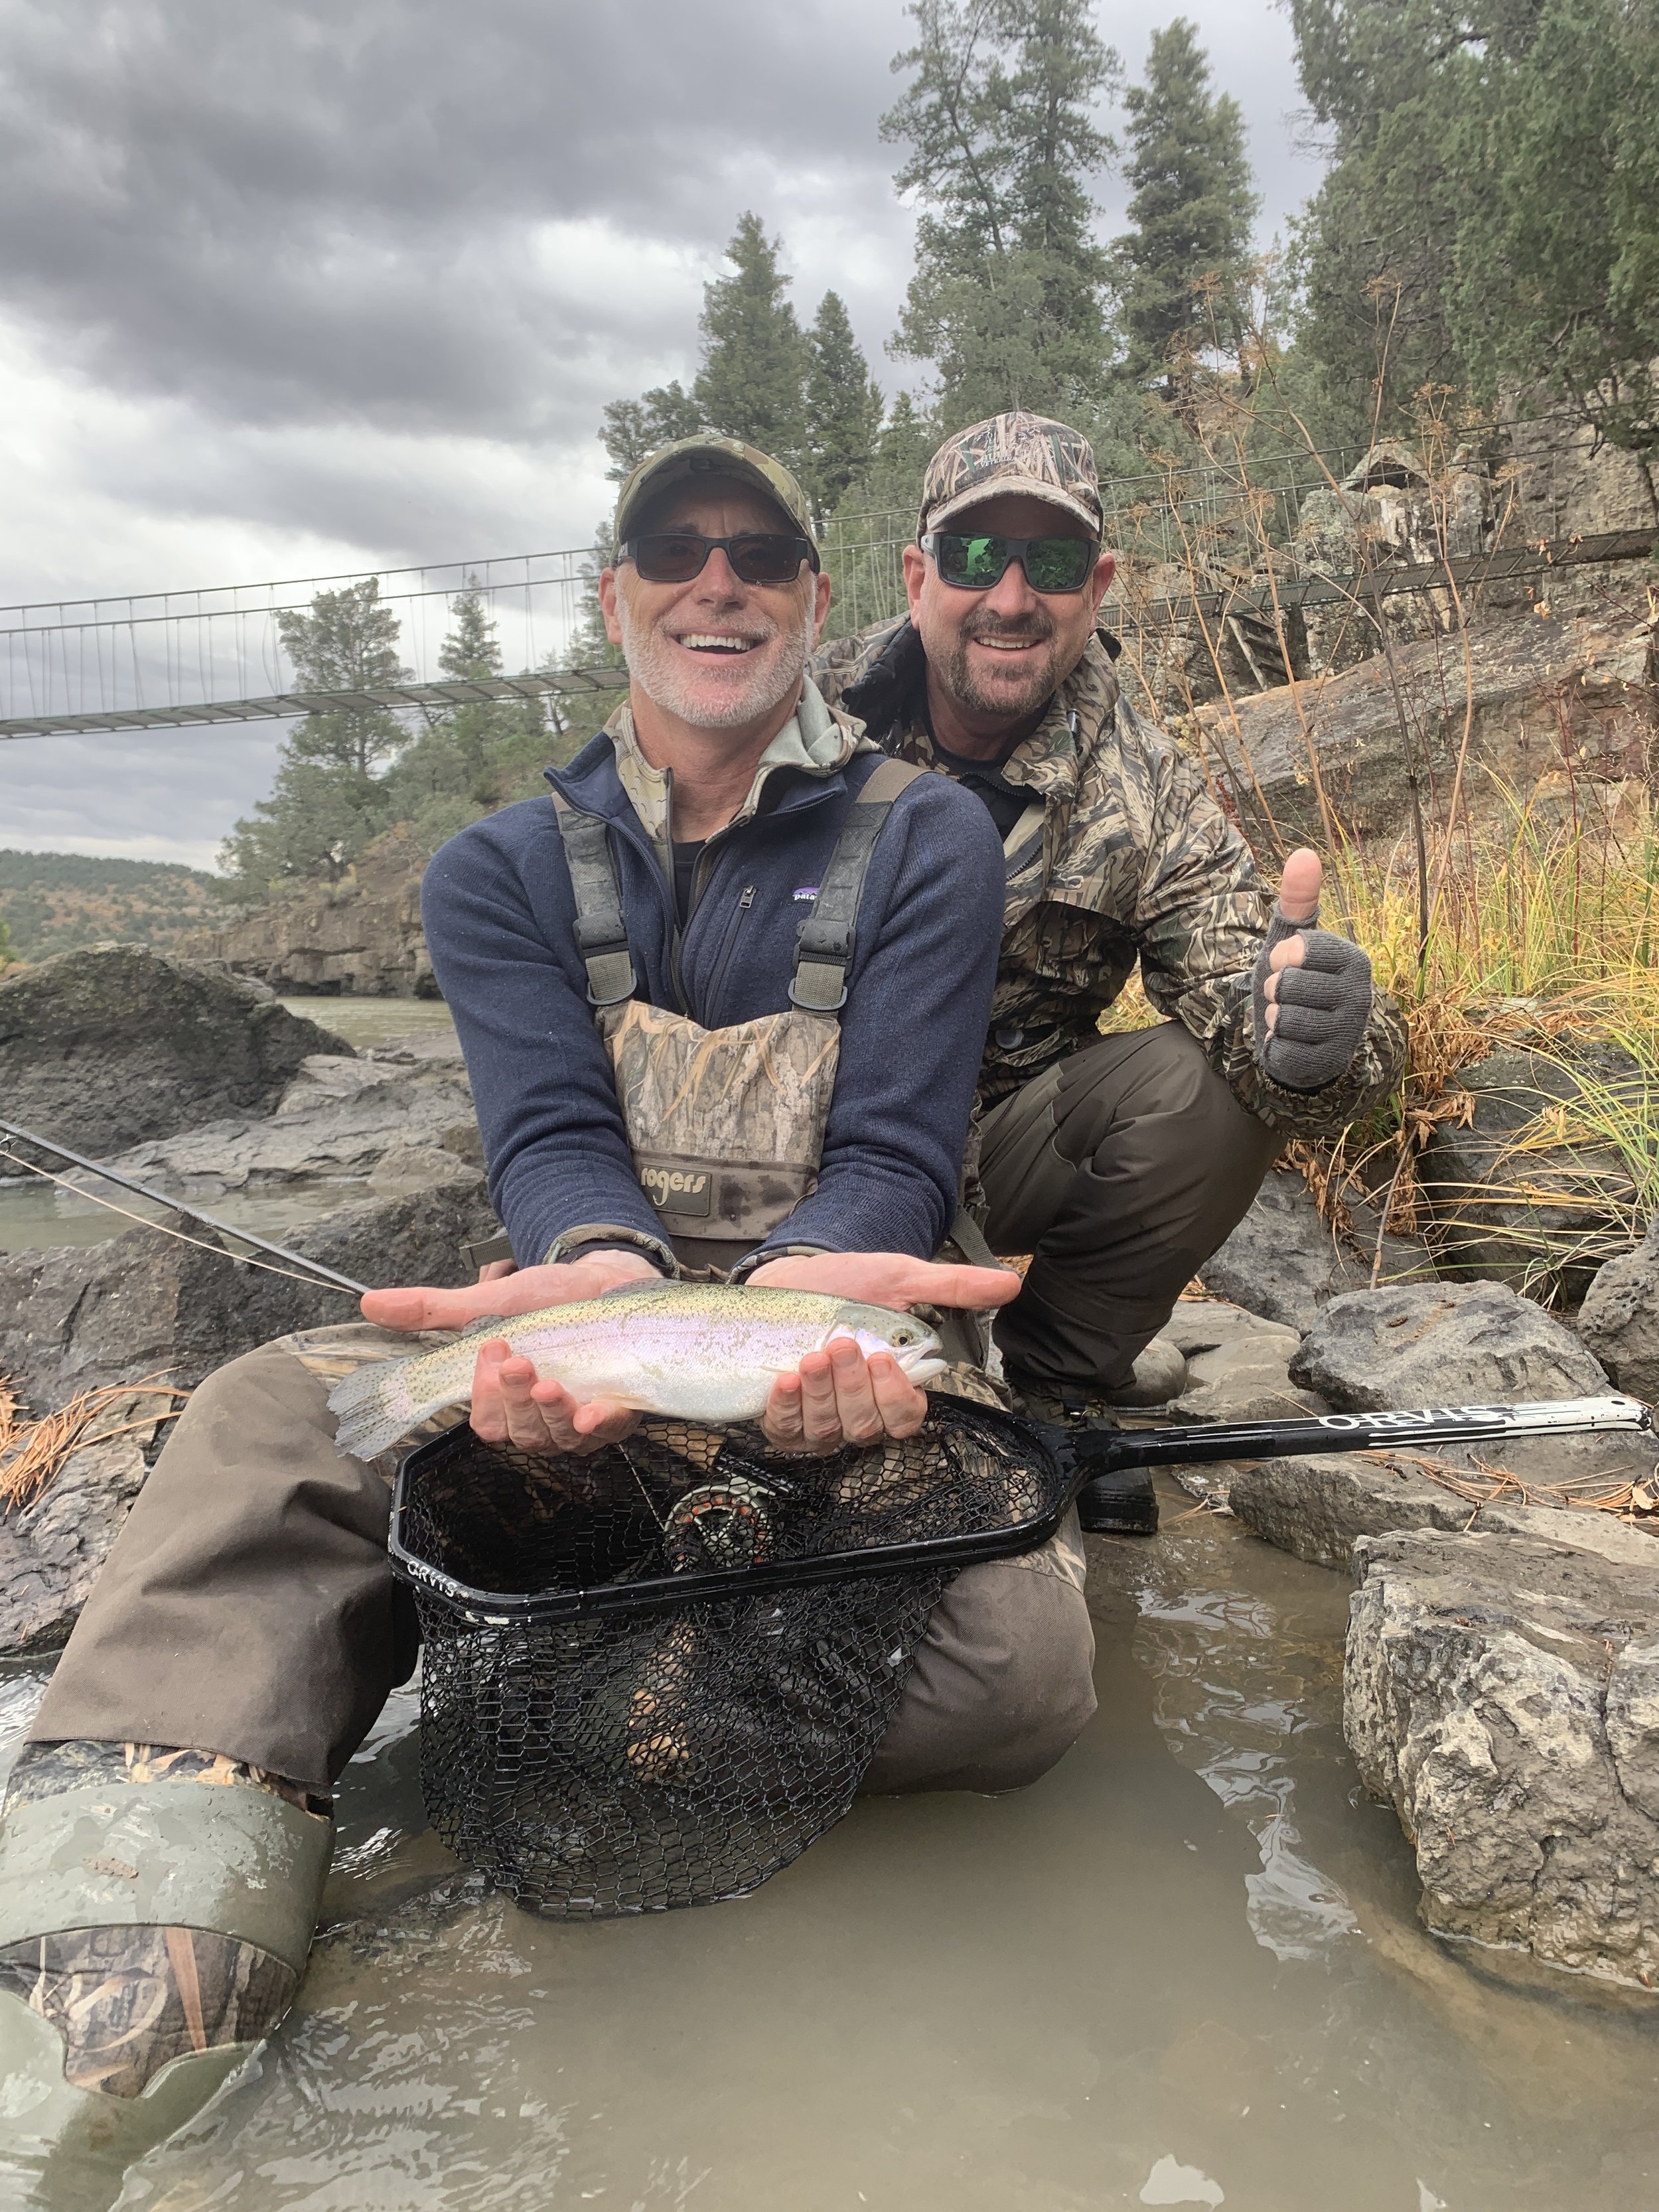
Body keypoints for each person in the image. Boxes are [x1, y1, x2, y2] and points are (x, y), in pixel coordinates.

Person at [0, 436, 1096, 2181]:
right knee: (266, 1422)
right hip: (583, 1309)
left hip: (828, 1309)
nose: (715, 577)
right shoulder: (499, 867)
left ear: (817, 605)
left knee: (1018, 1678)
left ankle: (580, 1688)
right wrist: (585, 1294)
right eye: (675, 545)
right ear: (617, 599)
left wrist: (814, 1316)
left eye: (759, 550)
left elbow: (892, 1152)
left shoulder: (930, 839)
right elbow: (556, 1149)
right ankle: (115, 1962)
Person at [814, 411, 1406, 1522]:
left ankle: (1060, 1383)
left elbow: (1263, 990)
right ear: (915, 573)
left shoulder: (1147, 782)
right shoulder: (808, 720)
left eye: (1055, 560)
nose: (1011, 595)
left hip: (996, 1144)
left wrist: (1323, 1037)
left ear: (1100, 584)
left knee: (1203, 1087)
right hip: (798, 1139)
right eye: (976, 553)